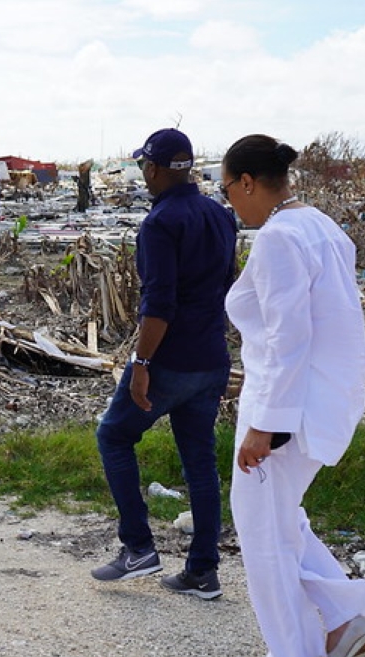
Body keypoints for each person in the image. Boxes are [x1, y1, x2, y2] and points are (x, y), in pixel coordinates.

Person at [221, 134, 365, 657]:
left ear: (247, 182)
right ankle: (342, 621)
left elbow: (289, 340)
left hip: (288, 406)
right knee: (281, 519)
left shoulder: (279, 238)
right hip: (323, 397)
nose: (230, 203)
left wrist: (267, 424)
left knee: (263, 531)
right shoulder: (321, 226)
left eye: (228, 189)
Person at [90, 128, 238, 601]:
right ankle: (202, 571)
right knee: (199, 461)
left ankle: (138, 547)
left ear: (153, 168)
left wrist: (141, 362)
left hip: (170, 361)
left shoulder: (159, 224)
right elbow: (227, 285)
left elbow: (160, 303)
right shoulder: (221, 216)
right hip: (210, 358)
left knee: (114, 434)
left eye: (143, 167)